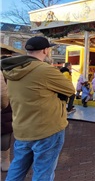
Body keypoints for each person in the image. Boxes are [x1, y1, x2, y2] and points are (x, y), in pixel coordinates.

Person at [0, 36, 75, 180]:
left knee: (17, 168)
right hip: (47, 128)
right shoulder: (45, 70)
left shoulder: (11, 70)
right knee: (43, 172)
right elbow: (70, 89)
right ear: (45, 50)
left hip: (22, 128)